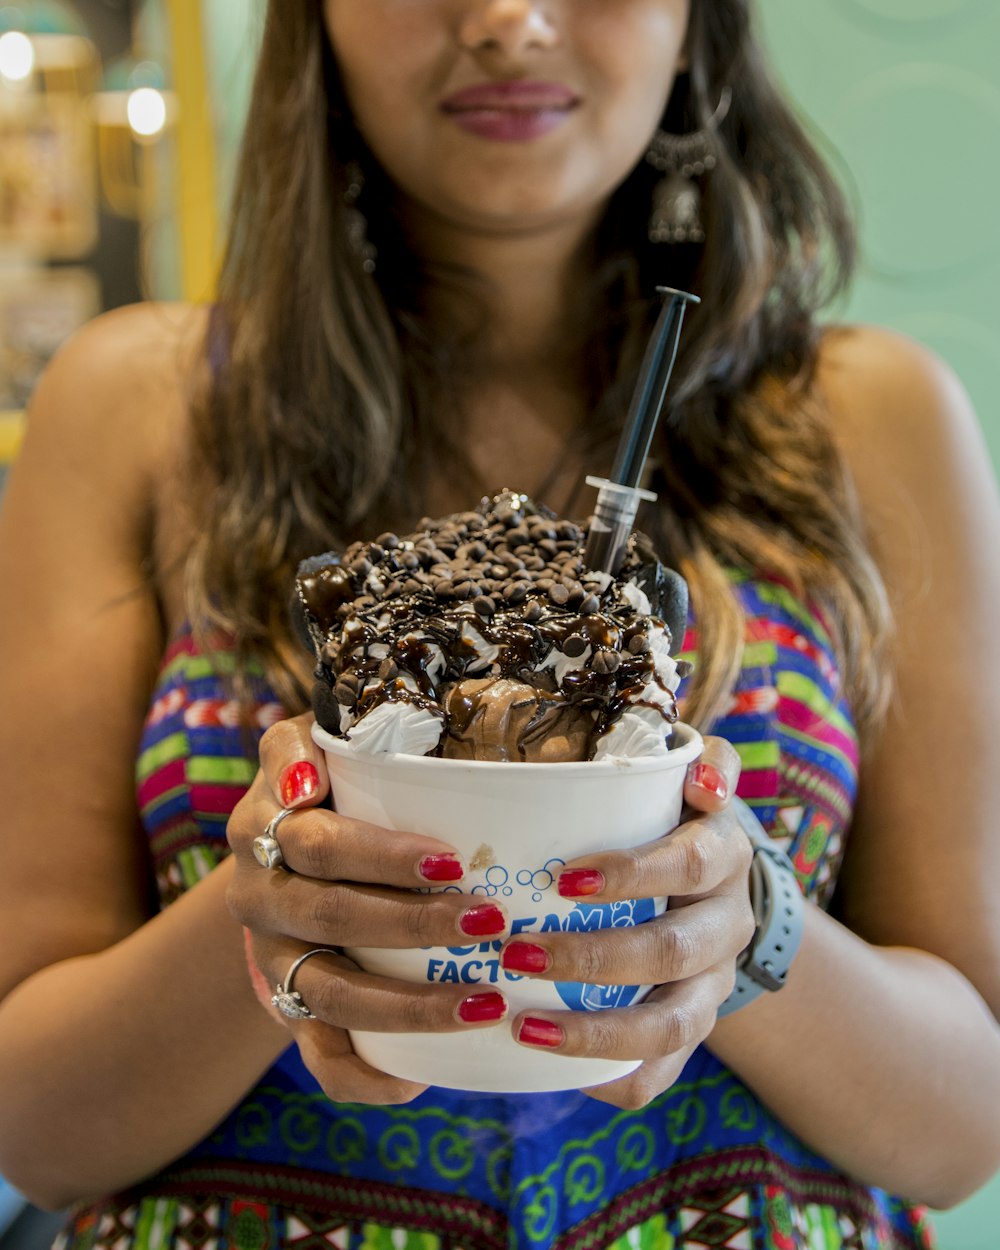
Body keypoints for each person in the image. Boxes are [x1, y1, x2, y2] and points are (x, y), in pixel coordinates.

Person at [1, 0, 999, 1246]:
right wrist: (280, 906)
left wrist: (741, 920)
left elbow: (967, 1126)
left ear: (697, 24)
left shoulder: (868, 418)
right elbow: (32, 1122)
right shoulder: (136, 409)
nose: (508, 22)